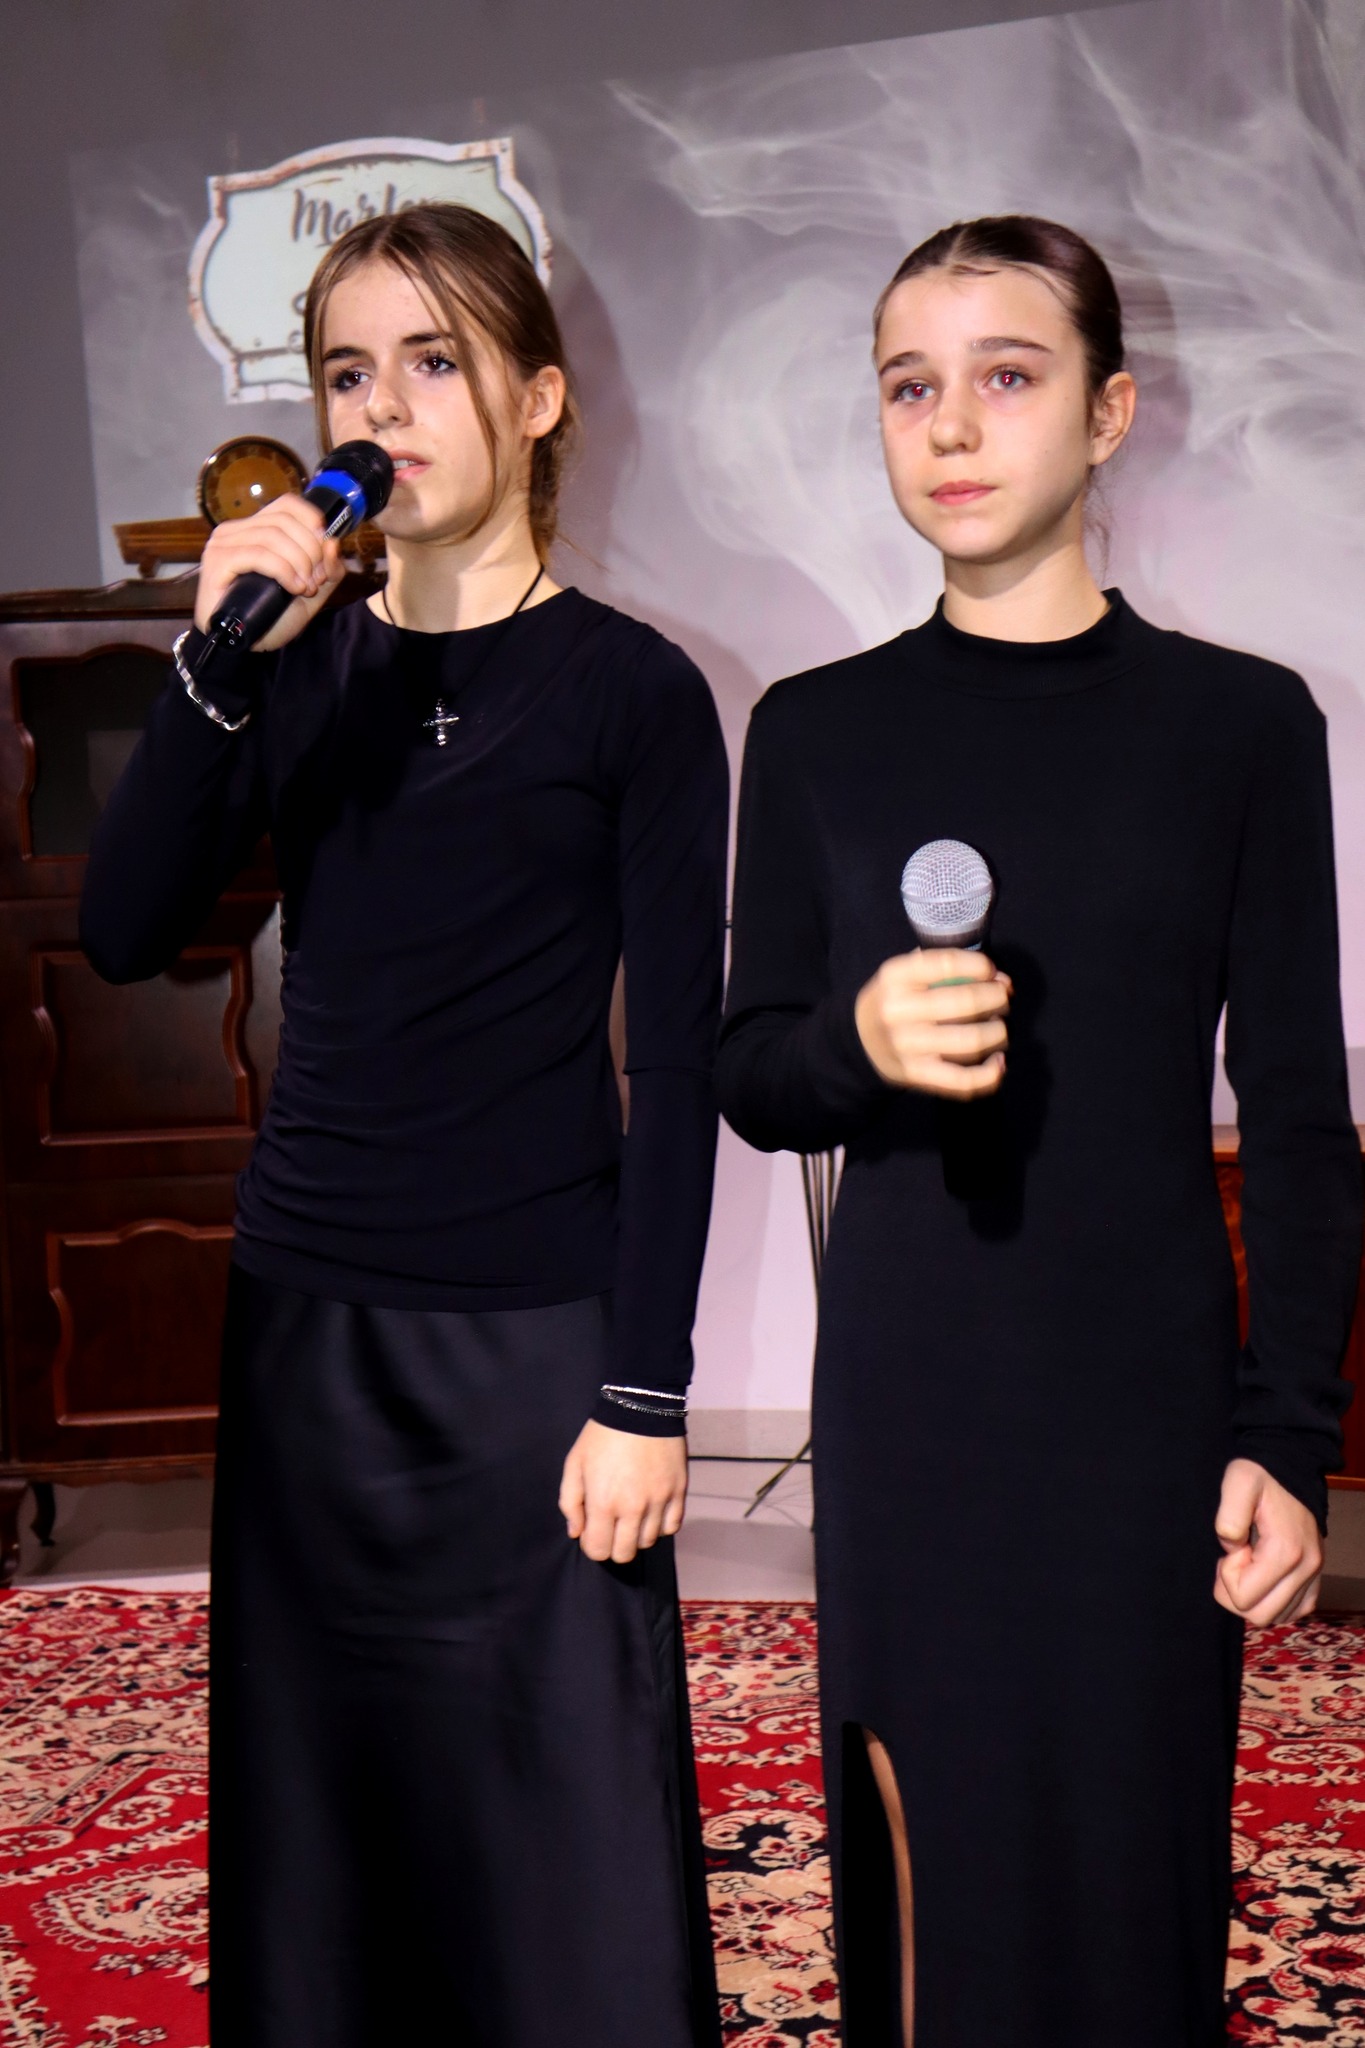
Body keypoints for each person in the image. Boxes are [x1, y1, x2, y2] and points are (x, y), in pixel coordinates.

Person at [81, 202, 727, 2048]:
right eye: (349, 372)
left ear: (537, 398)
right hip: (309, 1338)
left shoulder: (633, 690)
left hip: (536, 1344)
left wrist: (645, 1390)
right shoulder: (294, 674)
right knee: (328, 1847)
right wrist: (214, 664)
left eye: (434, 362)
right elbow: (125, 932)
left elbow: (677, 1067)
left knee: (567, 1843)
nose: (383, 410)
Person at [714, 214, 1361, 2047]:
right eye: (907, 386)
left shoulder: (1239, 726)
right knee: (930, 1882)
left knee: (1127, 1872)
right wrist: (855, 1046)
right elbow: (751, 1073)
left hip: (1142, 1406)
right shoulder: (815, 732)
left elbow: (1297, 1118)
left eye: (1006, 376)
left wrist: (1286, 1432)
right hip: (912, 1410)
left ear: (1107, 413)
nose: (950, 425)